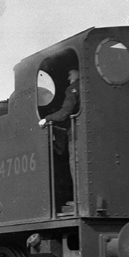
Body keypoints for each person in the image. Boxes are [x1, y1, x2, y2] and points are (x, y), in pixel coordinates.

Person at [39, 69, 80, 211]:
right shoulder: (85, 86)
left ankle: (79, 200)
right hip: (81, 132)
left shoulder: (73, 88)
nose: (68, 77)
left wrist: (46, 119)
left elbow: (64, 113)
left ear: (78, 73)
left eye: (70, 74)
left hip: (76, 134)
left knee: (75, 165)